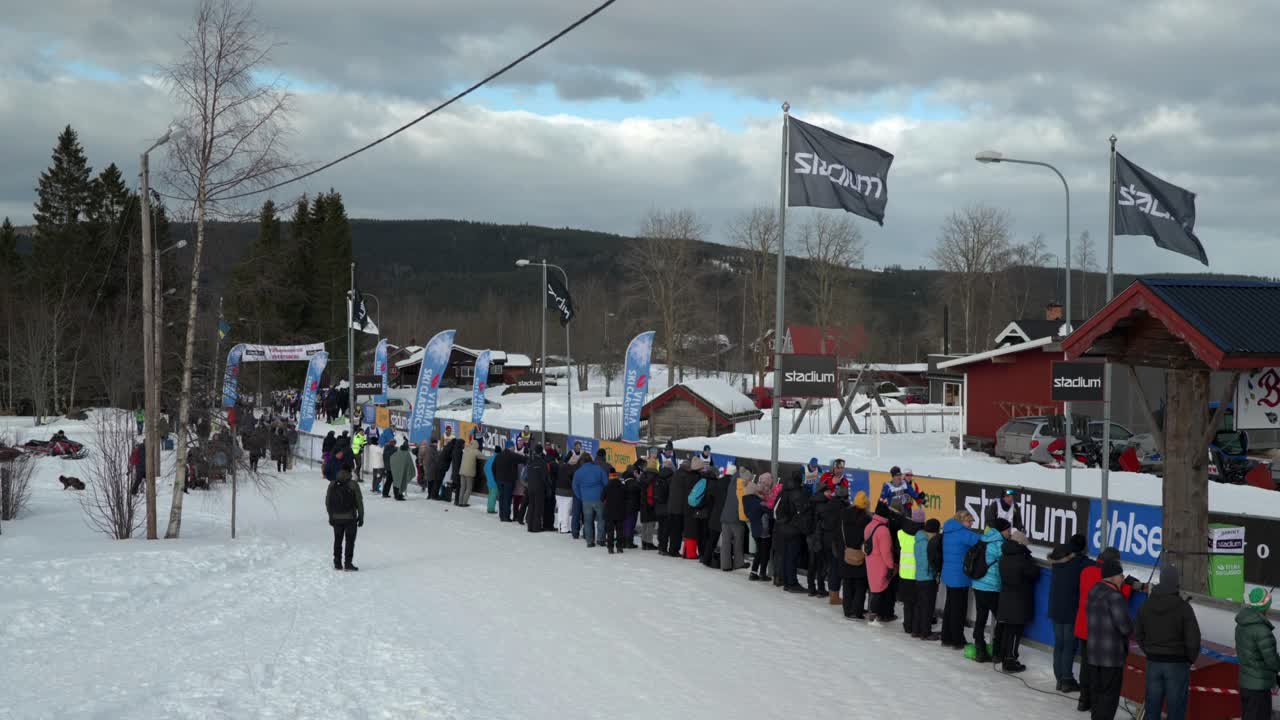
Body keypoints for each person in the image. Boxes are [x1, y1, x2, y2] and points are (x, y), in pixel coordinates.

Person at [1136, 563, 1200, 720]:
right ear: (1176, 582)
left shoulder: (1146, 604)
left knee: (1152, 708)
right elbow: (1193, 638)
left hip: (1153, 662)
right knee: (1176, 708)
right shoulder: (1183, 607)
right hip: (1177, 664)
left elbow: (1138, 633)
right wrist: (1189, 659)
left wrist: (1149, 650)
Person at [1076, 548, 1136, 713]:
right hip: (1109, 648)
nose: (1123, 578)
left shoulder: (1091, 582)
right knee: (1109, 692)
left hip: (1089, 638)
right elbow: (1124, 624)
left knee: (1091, 679)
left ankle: (1085, 702)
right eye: (1121, 575)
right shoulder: (1113, 593)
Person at [1048, 534, 1090, 692]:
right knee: (1069, 646)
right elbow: (1100, 567)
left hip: (1055, 607)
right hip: (1071, 609)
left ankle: (1059, 678)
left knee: (1059, 644)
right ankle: (1066, 679)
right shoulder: (1080, 562)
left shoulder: (1057, 556)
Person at [996, 529, 1039, 673]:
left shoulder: (1004, 556)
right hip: (1019, 600)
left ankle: (1005, 656)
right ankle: (1010, 660)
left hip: (1006, 598)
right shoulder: (1022, 559)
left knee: (1008, 630)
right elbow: (1034, 573)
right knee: (1015, 632)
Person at [1236, 587, 1280, 720]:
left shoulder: (1241, 624)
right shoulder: (1262, 630)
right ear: (1266, 606)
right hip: (1258, 688)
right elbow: (1272, 660)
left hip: (1246, 683)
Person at [940, 510, 981, 649]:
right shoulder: (963, 533)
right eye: (969, 521)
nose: (971, 524)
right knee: (959, 609)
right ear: (962, 521)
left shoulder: (948, 531)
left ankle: (946, 637)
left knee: (950, 606)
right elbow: (982, 541)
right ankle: (957, 640)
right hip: (959, 577)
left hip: (949, 574)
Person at [971, 516, 1010, 663]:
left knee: (981, 618)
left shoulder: (984, 538)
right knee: (1001, 618)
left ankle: (980, 650)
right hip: (992, 587)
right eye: (1008, 530)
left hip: (977, 584)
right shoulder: (1000, 544)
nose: (1009, 532)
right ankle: (997, 652)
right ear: (1001, 530)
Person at [774, 470, 811, 592]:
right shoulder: (799, 493)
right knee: (792, 557)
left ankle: (785, 580)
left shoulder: (783, 491)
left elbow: (775, 510)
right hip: (793, 530)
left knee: (785, 556)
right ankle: (792, 583)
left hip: (782, 529)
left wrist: (783, 522)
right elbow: (802, 513)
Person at [325, 458, 364, 571]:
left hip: (336, 517)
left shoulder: (332, 484)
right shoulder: (353, 485)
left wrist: (331, 516)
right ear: (350, 471)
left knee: (337, 540)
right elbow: (359, 502)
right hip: (350, 518)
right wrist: (361, 517)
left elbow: (328, 502)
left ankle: (337, 563)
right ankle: (348, 563)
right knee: (350, 540)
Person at [839, 491, 871, 619]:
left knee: (847, 583)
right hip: (860, 555)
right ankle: (857, 611)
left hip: (847, 553)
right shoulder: (867, 520)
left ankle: (847, 610)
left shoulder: (845, 515)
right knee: (860, 584)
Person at [864, 501, 896, 623]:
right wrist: (890, 566)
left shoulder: (869, 525)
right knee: (880, 589)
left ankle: (872, 612)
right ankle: (875, 616)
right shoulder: (883, 530)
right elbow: (886, 552)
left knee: (873, 588)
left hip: (870, 561)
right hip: (880, 563)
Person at [913, 517, 942, 639]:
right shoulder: (929, 544)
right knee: (928, 607)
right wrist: (935, 573)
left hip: (918, 577)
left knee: (919, 605)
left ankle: (916, 630)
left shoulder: (918, 540)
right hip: (928, 578)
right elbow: (928, 563)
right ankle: (926, 632)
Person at [572, 449, 608, 547]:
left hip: (586, 500)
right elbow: (606, 484)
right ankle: (600, 539)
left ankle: (589, 541)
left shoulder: (578, 472)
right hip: (599, 499)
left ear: (582, 461)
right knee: (601, 519)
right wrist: (604, 496)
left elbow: (575, 486)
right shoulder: (599, 469)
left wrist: (581, 497)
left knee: (588, 521)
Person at [743, 472, 775, 581]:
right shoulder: (758, 502)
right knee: (764, 552)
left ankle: (753, 572)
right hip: (763, 530)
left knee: (759, 552)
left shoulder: (746, 500)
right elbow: (770, 512)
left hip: (755, 529)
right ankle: (762, 574)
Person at [898, 506, 925, 632]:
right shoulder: (924, 535)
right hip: (919, 574)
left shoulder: (901, 533)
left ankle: (907, 625)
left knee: (908, 603)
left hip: (904, 573)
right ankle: (916, 626)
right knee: (918, 603)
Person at [719, 467, 750, 572]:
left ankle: (725, 565)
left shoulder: (731, 483)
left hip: (725, 516)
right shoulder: (743, 485)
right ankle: (738, 562)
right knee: (738, 540)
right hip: (736, 517)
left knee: (726, 542)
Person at [705, 463, 734, 568]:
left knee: (712, 538)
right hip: (727, 514)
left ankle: (706, 559)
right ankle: (724, 561)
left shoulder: (719, 482)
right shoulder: (732, 484)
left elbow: (711, 496)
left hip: (715, 513)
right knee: (726, 540)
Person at [665, 459, 693, 557]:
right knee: (677, 531)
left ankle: (671, 549)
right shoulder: (685, 476)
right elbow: (687, 493)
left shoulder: (675, 474)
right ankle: (674, 550)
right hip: (679, 509)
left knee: (673, 530)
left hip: (671, 507)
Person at [493, 441, 524, 522]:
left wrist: (496, 478)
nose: (514, 448)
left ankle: (501, 516)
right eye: (513, 447)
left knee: (501, 498)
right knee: (507, 499)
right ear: (510, 447)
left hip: (499, 481)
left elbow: (493, 467)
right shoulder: (512, 455)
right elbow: (523, 459)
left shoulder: (498, 456)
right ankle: (506, 517)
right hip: (508, 481)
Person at [602, 467, 627, 553]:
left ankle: (610, 548)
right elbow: (626, 498)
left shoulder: (606, 487)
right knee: (620, 530)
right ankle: (619, 547)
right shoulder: (622, 487)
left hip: (609, 512)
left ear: (610, 477)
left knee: (610, 531)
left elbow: (602, 498)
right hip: (620, 512)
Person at [554, 449, 580, 532]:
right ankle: (564, 528)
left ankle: (559, 525)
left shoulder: (560, 466)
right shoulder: (573, 468)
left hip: (558, 491)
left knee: (560, 509)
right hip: (567, 492)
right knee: (566, 510)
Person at [525, 445, 549, 532]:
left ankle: (529, 526)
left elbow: (527, 476)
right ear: (541, 452)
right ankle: (536, 527)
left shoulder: (530, 462)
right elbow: (545, 477)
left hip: (530, 487)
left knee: (531, 506)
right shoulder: (542, 463)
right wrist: (547, 487)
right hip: (539, 488)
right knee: (538, 507)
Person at [638, 461, 660, 550]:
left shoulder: (642, 476)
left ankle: (644, 543)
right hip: (651, 502)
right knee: (651, 524)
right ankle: (649, 543)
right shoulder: (655, 477)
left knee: (644, 524)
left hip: (643, 502)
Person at [654, 459, 674, 554]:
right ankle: (663, 547)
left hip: (658, 505)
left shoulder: (658, 476)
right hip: (667, 506)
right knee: (666, 528)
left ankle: (660, 546)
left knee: (661, 527)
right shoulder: (671, 477)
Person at [387, 437, 414, 501]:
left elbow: (391, 458)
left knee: (396, 482)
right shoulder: (406, 454)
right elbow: (410, 463)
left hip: (395, 470)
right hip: (403, 470)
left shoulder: (397, 452)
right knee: (402, 481)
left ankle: (397, 495)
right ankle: (399, 495)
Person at [458, 434, 480, 508]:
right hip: (469, 473)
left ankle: (460, 502)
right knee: (468, 488)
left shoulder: (466, 449)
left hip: (462, 471)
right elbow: (482, 456)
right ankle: (464, 503)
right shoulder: (475, 451)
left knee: (462, 487)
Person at [483, 443, 499, 514]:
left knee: (490, 495)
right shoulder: (498, 459)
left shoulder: (490, 458)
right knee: (493, 496)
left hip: (489, 480)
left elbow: (485, 468)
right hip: (495, 481)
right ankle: (490, 509)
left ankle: (489, 507)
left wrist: (488, 476)